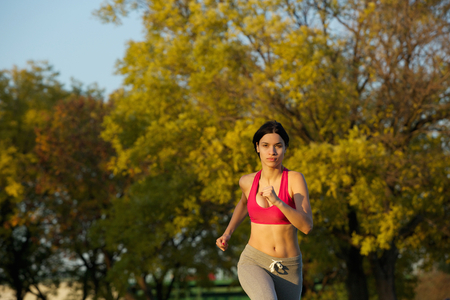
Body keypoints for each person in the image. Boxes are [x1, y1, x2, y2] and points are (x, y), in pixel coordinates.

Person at [216, 120, 313, 300]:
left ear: (285, 148)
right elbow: (244, 203)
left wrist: (278, 202)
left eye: (278, 146)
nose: (272, 152)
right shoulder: (247, 181)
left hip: (288, 267)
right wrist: (227, 233)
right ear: (257, 147)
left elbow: (306, 226)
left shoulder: (294, 179)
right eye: (266, 145)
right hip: (254, 261)